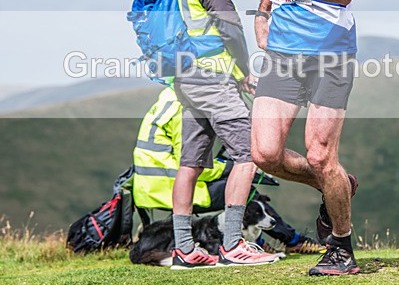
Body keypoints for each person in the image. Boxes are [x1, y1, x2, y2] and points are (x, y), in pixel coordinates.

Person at [246, 0, 361, 276]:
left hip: (330, 47)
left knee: (318, 153)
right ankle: (339, 186)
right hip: (283, 50)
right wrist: (262, 20)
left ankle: (341, 247)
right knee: (266, 153)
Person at [166, 0, 279, 269]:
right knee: (248, 152)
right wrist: (244, 70)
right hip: (213, 78)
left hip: (185, 79)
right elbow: (229, 26)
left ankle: (184, 248)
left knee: (191, 161)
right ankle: (232, 243)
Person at [130, 84, 324, 255]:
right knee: (247, 191)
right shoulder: (182, 111)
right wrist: (227, 167)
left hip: (151, 189)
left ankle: (260, 242)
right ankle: (292, 241)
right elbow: (190, 164)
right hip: (168, 190)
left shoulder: (167, 102)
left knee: (237, 183)